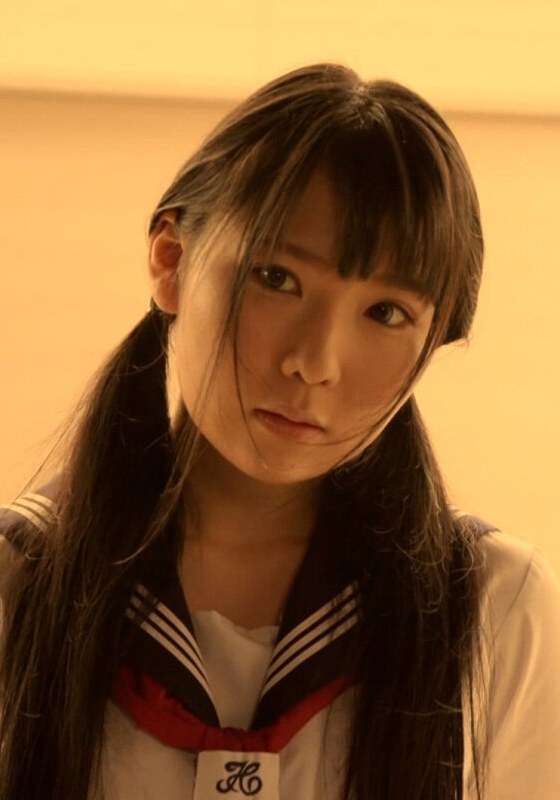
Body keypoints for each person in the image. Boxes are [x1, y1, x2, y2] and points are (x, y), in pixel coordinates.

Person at [0, 63, 559, 800]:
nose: (315, 363)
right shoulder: (17, 587)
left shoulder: (496, 611)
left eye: (386, 313)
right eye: (277, 279)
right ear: (171, 259)